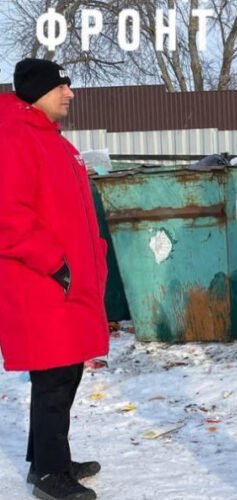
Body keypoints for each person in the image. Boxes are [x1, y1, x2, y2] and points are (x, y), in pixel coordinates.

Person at [0, 59, 109, 500]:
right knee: (54, 375)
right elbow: (8, 216)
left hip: (65, 280)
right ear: (39, 92)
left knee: (64, 370)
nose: (70, 93)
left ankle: (46, 460)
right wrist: (55, 263)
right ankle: (49, 474)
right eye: (62, 86)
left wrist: (93, 259)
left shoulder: (53, 140)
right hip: (40, 279)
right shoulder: (13, 138)